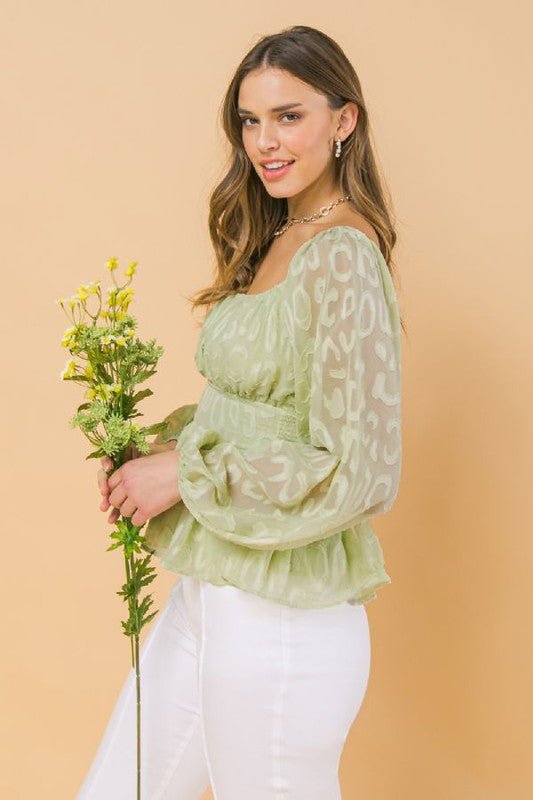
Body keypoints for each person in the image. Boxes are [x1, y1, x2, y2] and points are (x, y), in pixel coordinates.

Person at [77, 24, 403, 800]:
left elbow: (361, 473)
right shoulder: (281, 233)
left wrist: (185, 477)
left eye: (289, 116)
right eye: (250, 121)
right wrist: (157, 450)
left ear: (343, 120)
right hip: (217, 583)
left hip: (284, 615)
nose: (264, 142)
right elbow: (260, 411)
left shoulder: (342, 256)